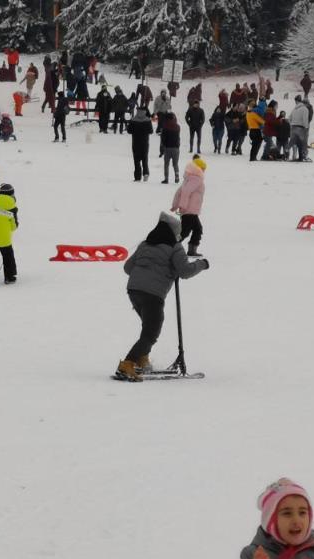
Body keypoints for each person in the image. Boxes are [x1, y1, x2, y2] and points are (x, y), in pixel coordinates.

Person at [115, 211, 209, 382]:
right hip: (153, 294)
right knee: (151, 332)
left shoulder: (145, 244)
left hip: (134, 291)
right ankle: (128, 364)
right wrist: (201, 264)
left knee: (148, 327)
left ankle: (142, 359)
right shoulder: (175, 247)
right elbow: (185, 271)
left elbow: (128, 268)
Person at [171, 155, 206, 256]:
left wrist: (175, 205)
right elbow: (185, 192)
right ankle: (171, 248)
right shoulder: (196, 179)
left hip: (190, 210)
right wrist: (182, 205)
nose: (204, 171)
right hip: (190, 210)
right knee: (185, 232)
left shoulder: (189, 178)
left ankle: (191, 250)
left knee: (196, 229)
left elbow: (179, 192)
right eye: (203, 169)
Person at [128, 108, 152, 182]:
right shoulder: (148, 120)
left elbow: (129, 131)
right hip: (145, 142)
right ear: (144, 112)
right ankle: (146, 173)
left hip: (136, 142)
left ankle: (137, 177)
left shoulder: (133, 120)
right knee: (145, 159)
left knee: (136, 160)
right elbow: (151, 131)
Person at [158, 112, 181, 183]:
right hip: (176, 148)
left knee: (166, 164)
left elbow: (163, 139)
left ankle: (166, 178)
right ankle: (177, 176)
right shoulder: (177, 126)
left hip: (167, 148)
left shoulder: (165, 127)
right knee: (175, 164)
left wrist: (162, 150)